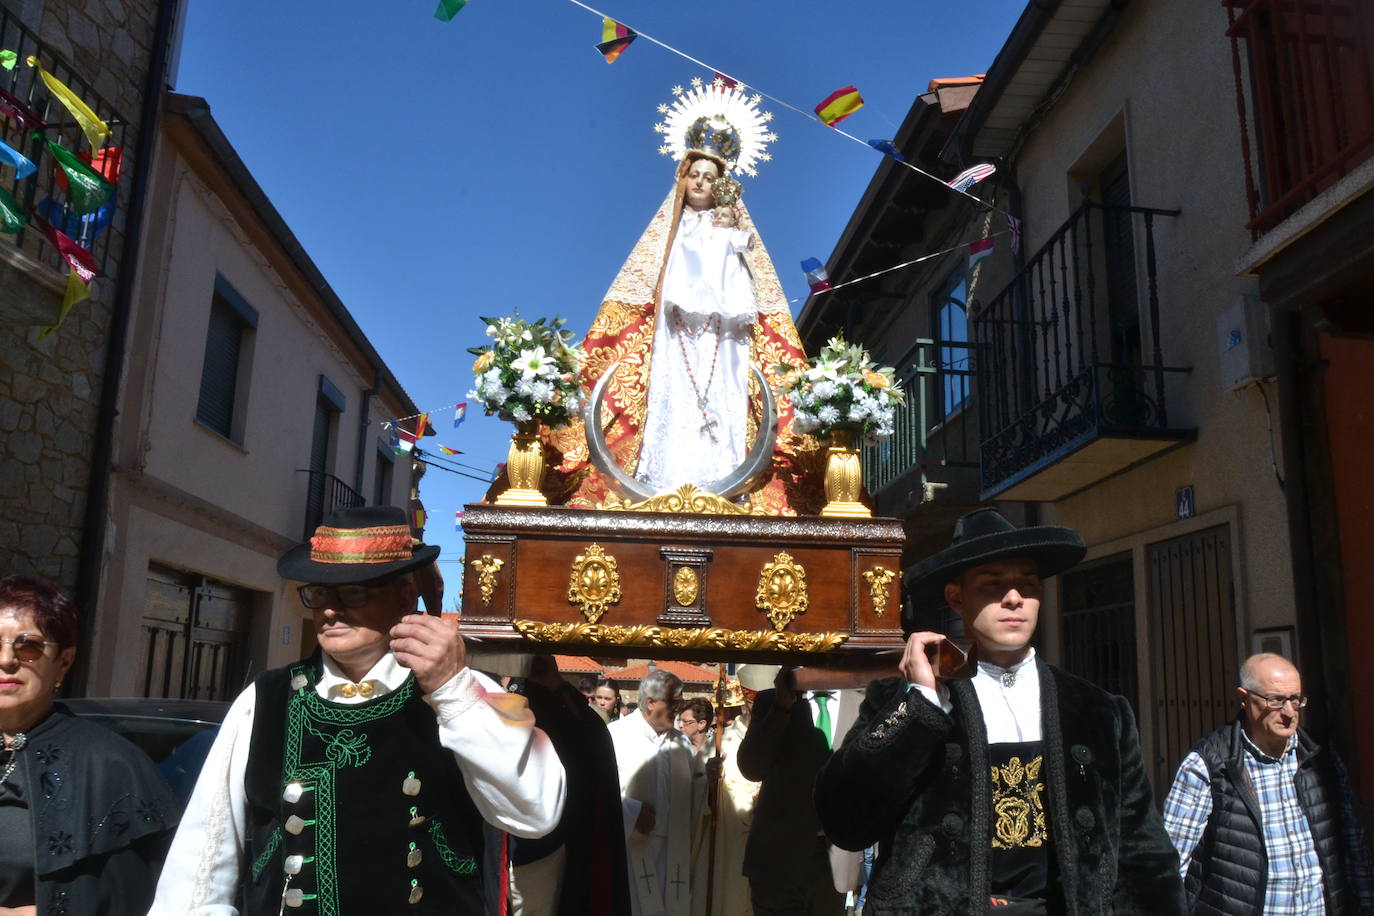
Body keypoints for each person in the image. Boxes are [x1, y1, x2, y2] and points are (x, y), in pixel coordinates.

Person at [148, 506, 566, 914]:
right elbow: (205, 852)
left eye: (352, 591)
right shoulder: (266, 700)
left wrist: (453, 692)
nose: (330, 609)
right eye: (319, 592)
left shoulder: (461, 694)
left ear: (404, 595)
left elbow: (535, 813)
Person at [816, 507, 1186, 914]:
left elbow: (1143, 851)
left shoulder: (1098, 710)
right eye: (993, 585)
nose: (1014, 597)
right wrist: (921, 702)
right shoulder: (902, 700)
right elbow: (845, 821)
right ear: (956, 597)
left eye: (1026, 583)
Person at [551, 79, 819, 514]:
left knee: (726, 402)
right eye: (693, 174)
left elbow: (749, 289)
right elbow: (651, 288)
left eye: (709, 177)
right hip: (672, 341)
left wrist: (732, 231)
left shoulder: (733, 233)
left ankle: (729, 480)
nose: (699, 182)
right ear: (682, 178)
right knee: (671, 401)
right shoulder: (668, 235)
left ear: (722, 185)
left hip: (724, 343)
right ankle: (663, 482)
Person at [0, 575, 179, 916]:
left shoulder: (110, 763)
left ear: (63, 662)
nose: (7, 659)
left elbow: (137, 896)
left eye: (28, 647)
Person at [1162, 653, 1374, 914]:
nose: (1288, 712)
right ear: (1244, 699)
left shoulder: (1322, 758)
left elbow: (1354, 847)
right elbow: (1169, 863)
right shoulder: (1209, 764)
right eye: (1275, 700)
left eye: (1295, 699)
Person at [503, 656, 631, 916]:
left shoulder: (556, 711)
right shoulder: (566, 712)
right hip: (518, 845)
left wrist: (558, 688)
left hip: (540, 847)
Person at [737, 667, 845, 915]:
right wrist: (782, 708)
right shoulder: (771, 702)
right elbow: (752, 768)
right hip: (778, 861)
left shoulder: (865, 700)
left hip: (834, 862)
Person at [608, 668, 699, 916]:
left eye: (681, 702)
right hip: (632, 847)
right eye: (674, 702)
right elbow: (600, 794)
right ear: (651, 702)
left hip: (673, 853)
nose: (679, 709)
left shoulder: (681, 743)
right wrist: (632, 811)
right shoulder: (615, 737)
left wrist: (708, 779)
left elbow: (692, 795)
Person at [692, 673, 758, 916]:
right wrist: (708, 783)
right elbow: (694, 800)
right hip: (728, 851)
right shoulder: (722, 744)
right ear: (745, 703)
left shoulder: (782, 745)